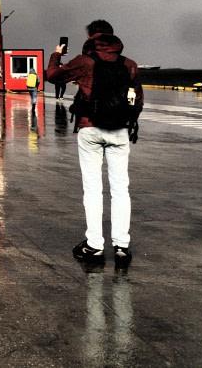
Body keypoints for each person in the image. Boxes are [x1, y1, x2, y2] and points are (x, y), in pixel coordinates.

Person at [46, 19, 143, 267]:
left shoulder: (84, 61)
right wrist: (127, 121)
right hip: (120, 131)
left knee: (93, 189)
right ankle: (121, 246)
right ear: (113, 37)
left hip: (90, 129)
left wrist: (56, 55)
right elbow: (137, 101)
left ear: (91, 36)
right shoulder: (129, 65)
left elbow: (52, 77)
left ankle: (95, 246)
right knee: (121, 189)